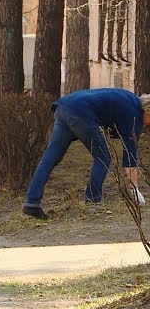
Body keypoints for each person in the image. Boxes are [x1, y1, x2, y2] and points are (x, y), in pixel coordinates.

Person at [23, 88, 150, 220]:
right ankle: (93, 200)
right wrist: (134, 190)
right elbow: (130, 155)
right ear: (147, 110)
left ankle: (32, 202)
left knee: (50, 158)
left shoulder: (129, 100)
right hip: (82, 112)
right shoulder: (134, 114)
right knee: (103, 157)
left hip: (64, 107)